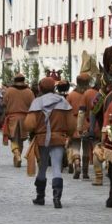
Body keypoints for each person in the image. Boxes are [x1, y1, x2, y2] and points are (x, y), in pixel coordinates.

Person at [24, 76, 76, 209]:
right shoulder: (63, 101)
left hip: (42, 140)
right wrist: (69, 135)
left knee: (42, 168)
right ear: (54, 87)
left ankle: (40, 197)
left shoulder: (37, 102)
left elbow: (29, 124)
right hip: (58, 138)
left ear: (40, 88)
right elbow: (71, 125)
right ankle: (57, 199)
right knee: (56, 167)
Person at [2, 74, 35, 167]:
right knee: (21, 140)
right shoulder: (29, 92)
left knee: (13, 139)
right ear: (23, 81)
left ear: (15, 81)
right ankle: (18, 156)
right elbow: (33, 106)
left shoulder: (9, 91)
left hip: (12, 118)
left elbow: (4, 104)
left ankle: (17, 154)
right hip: (25, 118)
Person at [67, 73, 92, 179]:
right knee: (86, 148)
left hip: (74, 123)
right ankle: (85, 172)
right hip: (87, 122)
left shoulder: (71, 95)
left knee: (75, 146)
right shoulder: (91, 94)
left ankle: (77, 165)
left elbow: (67, 110)